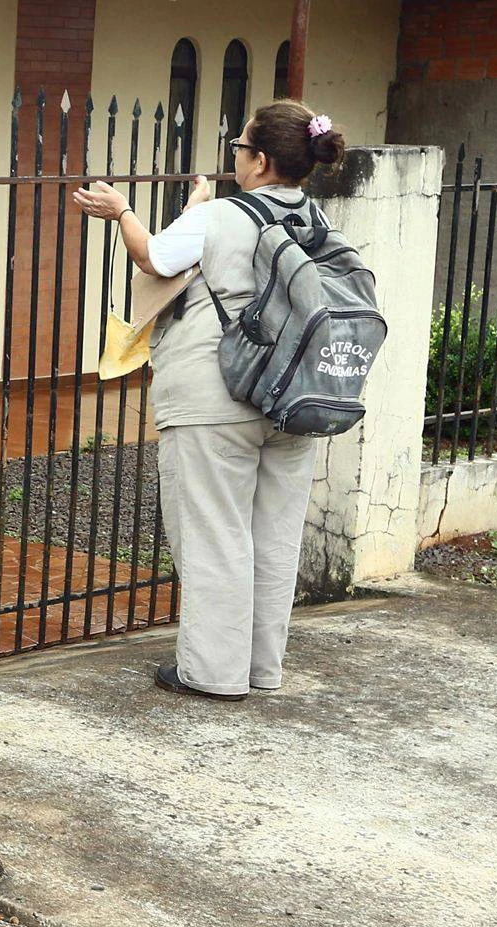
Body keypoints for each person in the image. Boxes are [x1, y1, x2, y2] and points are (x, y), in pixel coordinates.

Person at [72, 101, 347, 702]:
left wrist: (123, 212)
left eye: (240, 148)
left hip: (216, 397)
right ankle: (261, 668)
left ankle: (213, 673)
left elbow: (153, 257)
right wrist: (195, 212)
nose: (235, 157)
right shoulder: (317, 220)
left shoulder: (223, 214)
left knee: (215, 534)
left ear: (261, 160)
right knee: (274, 539)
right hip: (293, 395)